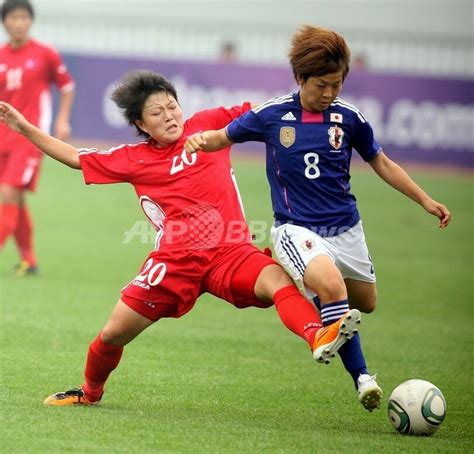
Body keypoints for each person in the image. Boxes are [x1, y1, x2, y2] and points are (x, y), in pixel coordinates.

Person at [0, 70, 365, 408]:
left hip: (230, 250)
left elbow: (267, 112)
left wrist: (312, 86)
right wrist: (24, 127)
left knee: (278, 281)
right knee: (112, 335)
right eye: (156, 113)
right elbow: (77, 157)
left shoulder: (210, 123)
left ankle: (317, 335)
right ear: (141, 124)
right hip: (174, 263)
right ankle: (89, 393)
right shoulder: (133, 158)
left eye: (172, 105)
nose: (169, 116)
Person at [185, 25, 451, 411]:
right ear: (300, 78)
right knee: (333, 290)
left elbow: (382, 162)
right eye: (321, 85)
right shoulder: (271, 115)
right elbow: (221, 137)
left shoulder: (350, 118)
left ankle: (316, 293)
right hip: (296, 228)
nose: (328, 93)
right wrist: (198, 139)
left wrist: (425, 200)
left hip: (346, 228)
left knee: (366, 302)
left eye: (336, 84)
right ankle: (363, 379)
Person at [0, 0, 75, 276]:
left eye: (23, 17)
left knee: (8, 192)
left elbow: (67, 87)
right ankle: (29, 260)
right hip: (2, 139)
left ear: (30, 21)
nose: (18, 22)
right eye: (13, 17)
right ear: (5, 22)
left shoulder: (45, 54)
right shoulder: (1, 56)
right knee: (16, 200)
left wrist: (62, 119)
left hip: (29, 138)